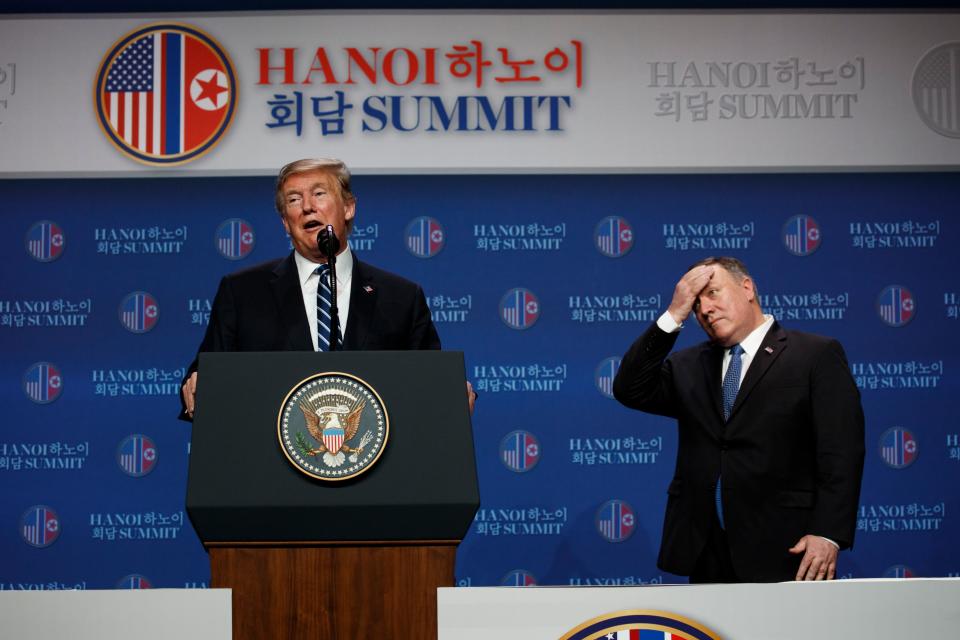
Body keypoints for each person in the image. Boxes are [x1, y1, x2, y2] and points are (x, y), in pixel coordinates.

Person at [612, 256, 864, 583]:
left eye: (713, 293)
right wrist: (674, 314)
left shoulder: (814, 355)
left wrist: (827, 533)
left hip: (789, 546)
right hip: (706, 549)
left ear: (747, 288)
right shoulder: (688, 366)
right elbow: (629, 389)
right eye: (696, 303)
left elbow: (841, 452)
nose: (704, 309)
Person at [181, 158, 476, 419]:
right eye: (294, 200)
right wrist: (197, 384)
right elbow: (206, 376)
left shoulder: (400, 297)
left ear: (348, 207)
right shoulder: (242, 292)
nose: (307, 206)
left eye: (319, 194)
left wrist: (448, 393)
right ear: (286, 222)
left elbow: (429, 380)